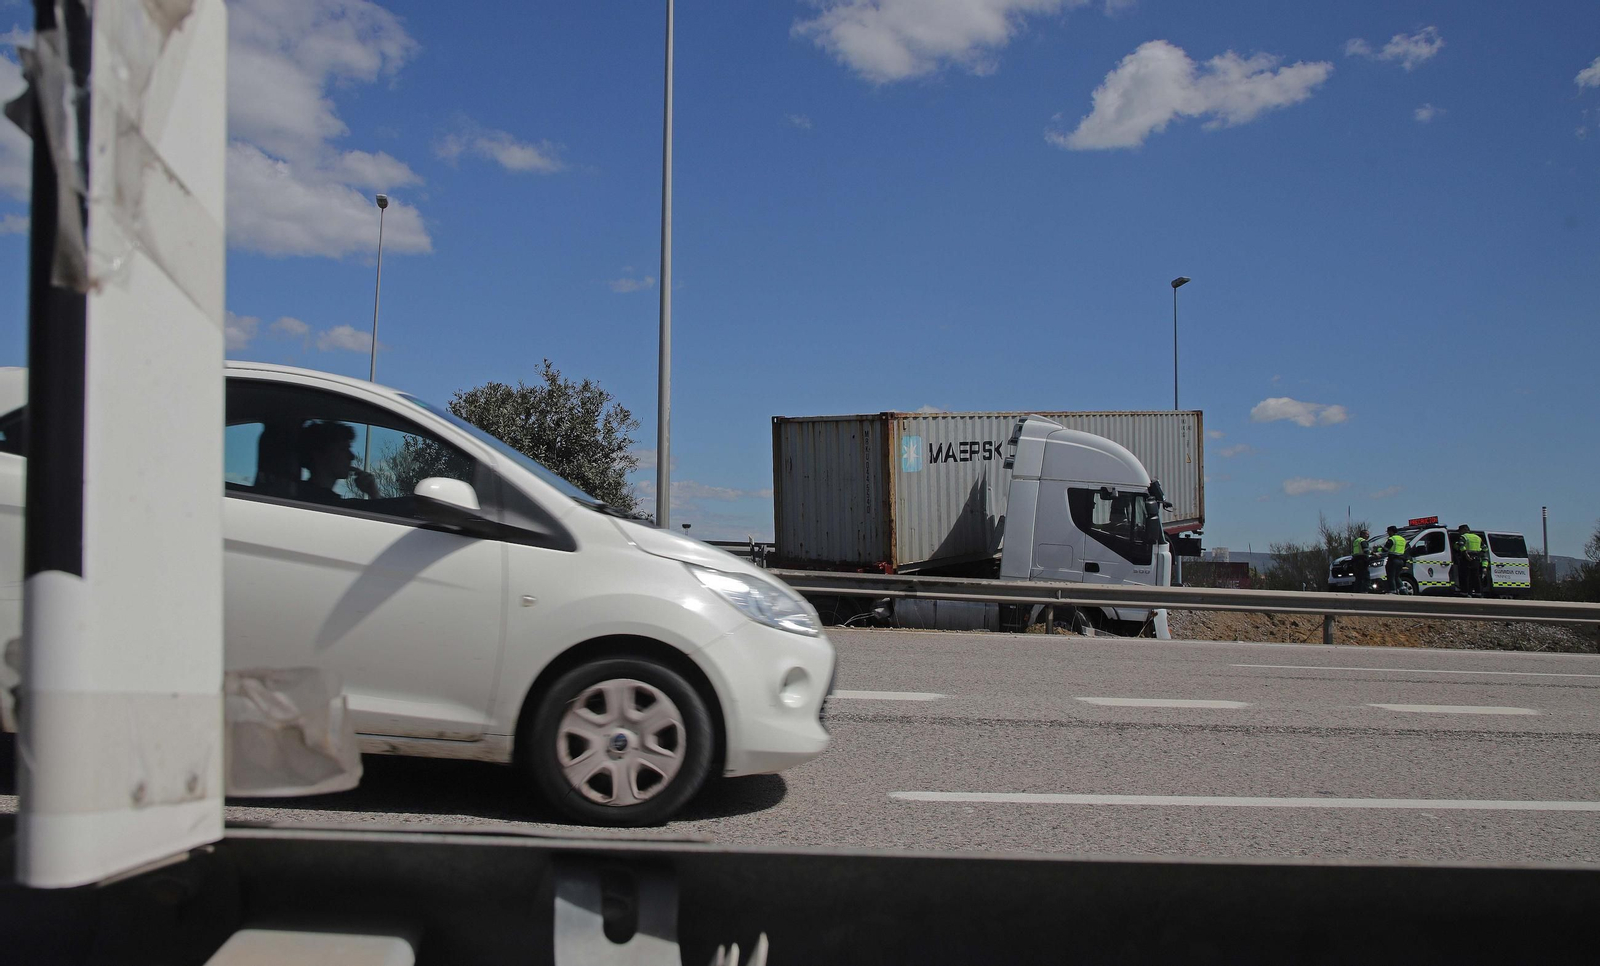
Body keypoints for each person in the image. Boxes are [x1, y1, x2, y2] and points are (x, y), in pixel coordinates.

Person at [297, 420, 378, 504]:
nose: (352, 456)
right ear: (319, 455)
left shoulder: (302, 494)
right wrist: (374, 493)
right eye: (343, 449)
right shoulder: (323, 502)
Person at [1453, 524, 1484, 597]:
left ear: (1463, 530)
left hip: (1466, 558)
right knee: (1475, 577)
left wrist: (1466, 554)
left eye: (1460, 531)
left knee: (1465, 576)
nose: (1459, 533)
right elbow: (1485, 548)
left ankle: (1465, 593)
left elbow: (1461, 545)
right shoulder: (1478, 537)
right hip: (1476, 559)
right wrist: (1478, 555)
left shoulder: (1464, 537)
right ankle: (1478, 593)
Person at [1381, 525, 1408, 593]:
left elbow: (1385, 549)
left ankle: (1392, 591)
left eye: (1388, 532)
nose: (1388, 533)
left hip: (1393, 560)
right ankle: (1403, 590)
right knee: (1397, 576)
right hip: (1401, 560)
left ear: (1391, 531)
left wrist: (1378, 549)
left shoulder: (1392, 539)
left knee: (1391, 576)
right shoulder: (1402, 539)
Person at [1350, 529, 1371, 594]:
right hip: (1362, 560)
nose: (1368, 536)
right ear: (1363, 534)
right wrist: (1374, 554)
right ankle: (1365, 591)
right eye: (1367, 534)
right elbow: (1366, 551)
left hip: (1355, 560)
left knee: (1358, 578)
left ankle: (1357, 591)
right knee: (1366, 577)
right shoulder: (1363, 541)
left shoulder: (1356, 541)